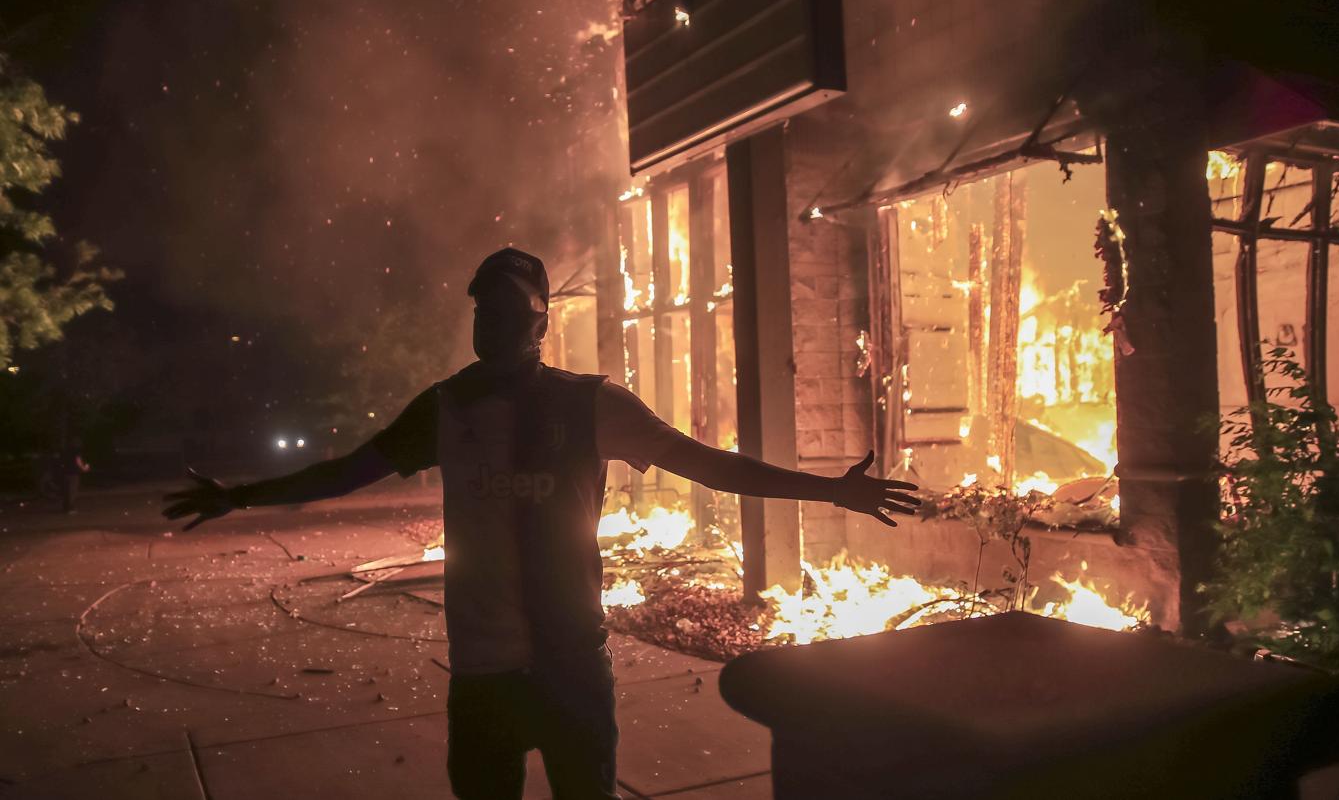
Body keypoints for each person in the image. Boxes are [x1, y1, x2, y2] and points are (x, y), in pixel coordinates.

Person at [164, 248, 920, 800]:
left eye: (505, 307)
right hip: (484, 673)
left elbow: (710, 464)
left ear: (539, 320)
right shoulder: (446, 407)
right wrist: (242, 497)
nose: (491, 320)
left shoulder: (591, 403)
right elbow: (347, 470)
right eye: (481, 308)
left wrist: (829, 492)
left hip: (572, 670)